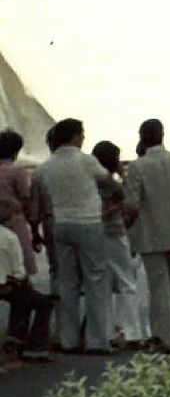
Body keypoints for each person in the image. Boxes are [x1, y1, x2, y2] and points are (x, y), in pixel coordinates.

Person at [30, 118, 114, 355]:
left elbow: (35, 206)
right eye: (82, 134)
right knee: (95, 280)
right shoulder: (87, 161)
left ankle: (69, 339)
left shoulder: (44, 168)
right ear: (75, 136)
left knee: (66, 281)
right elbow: (107, 182)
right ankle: (97, 340)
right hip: (88, 223)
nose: (83, 138)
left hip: (60, 224)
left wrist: (35, 230)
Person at [124, 118, 170, 354]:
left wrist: (128, 228)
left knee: (159, 287)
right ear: (162, 135)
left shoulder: (137, 167)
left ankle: (165, 338)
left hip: (150, 232)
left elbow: (132, 204)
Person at [90, 141, 146, 349]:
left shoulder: (91, 183)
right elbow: (130, 205)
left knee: (102, 284)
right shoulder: (113, 185)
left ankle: (105, 332)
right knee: (127, 282)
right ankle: (131, 332)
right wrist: (123, 174)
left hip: (95, 235)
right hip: (115, 233)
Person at [0, 195, 54, 361]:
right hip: (5, 285)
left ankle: (15, 337)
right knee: (43, 303)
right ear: (12, 216)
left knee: (22, 299)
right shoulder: (10, 238)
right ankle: (36, 346)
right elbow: (19, 272)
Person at [0, 132, 40, 285]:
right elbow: (26, 199)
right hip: (14, 222)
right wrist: (35, 229)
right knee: (19, 266)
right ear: (15, 151)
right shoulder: (17, 171)